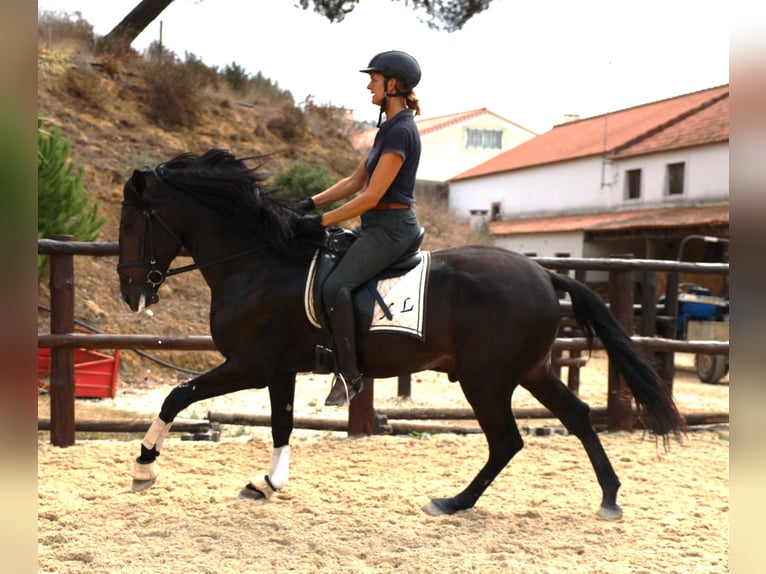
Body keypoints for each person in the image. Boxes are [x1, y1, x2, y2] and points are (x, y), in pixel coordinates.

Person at [295, 50, 423, 406]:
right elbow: (355, 181)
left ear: (392, 84)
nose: (370, 84)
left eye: (375, 79)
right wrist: (309, 203)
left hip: (393, 229)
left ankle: (350, 376)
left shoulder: (401, 132)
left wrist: (319, 223)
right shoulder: (388, 129)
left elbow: (371, 196)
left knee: (337, 285)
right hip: (377, 226)